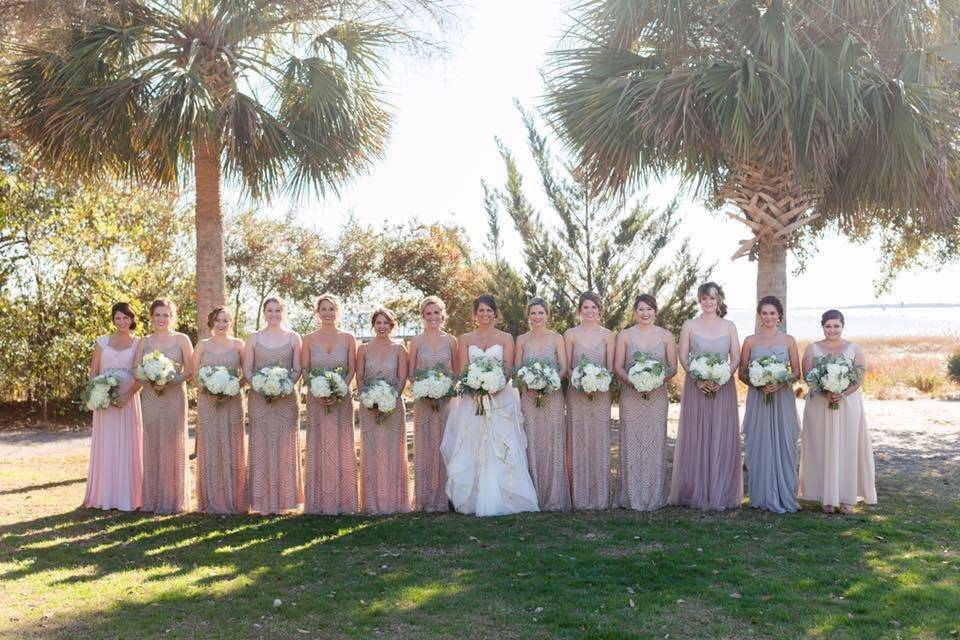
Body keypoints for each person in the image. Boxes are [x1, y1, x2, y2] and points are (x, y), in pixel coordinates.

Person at [441, 294, 540, 516]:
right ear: (475, 314)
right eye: (481, 311)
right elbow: (463, 371)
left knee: (501, 445)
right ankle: (472, 499)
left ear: (495, 313)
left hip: (500, 398)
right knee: (472, 444)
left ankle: (507, 497)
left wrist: (494, 386)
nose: (485, 314)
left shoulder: (506, 338)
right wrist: (476, 386)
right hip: (471, 400)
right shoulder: (465, 338)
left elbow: (508, 369)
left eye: (489, 310)